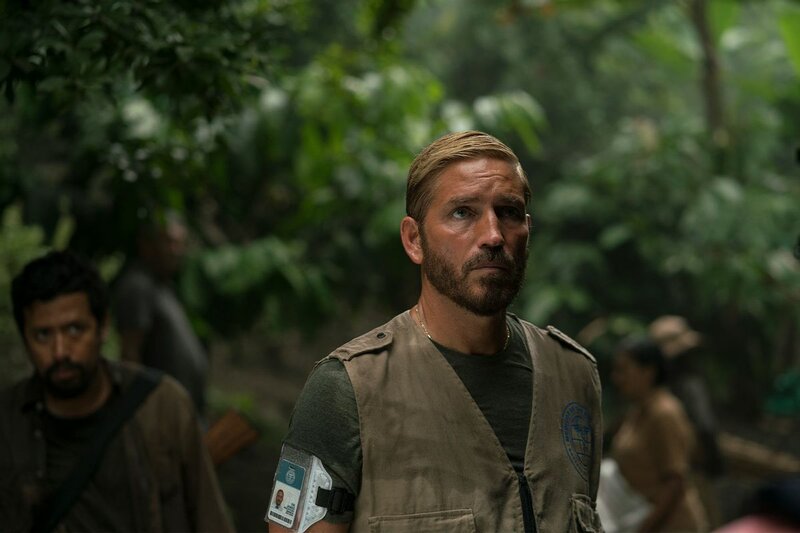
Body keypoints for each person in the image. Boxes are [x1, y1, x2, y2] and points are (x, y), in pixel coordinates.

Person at [265, 131, 603, 532]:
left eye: (509, 212)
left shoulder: (573, 376)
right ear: (414, 240)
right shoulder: (349, 389)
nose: (493, 235)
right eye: (462, 213)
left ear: (527, 230)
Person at [0, 250, 233, 532]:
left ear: (103, 327)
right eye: (43, 335)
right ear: (25, 337)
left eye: (74, 330)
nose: (60, 351)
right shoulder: (9, 420)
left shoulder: (161, 406)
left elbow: (210, 518)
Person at [112, 211, 209, 415]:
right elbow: (130, 356)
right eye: (169, 242)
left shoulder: (164, 287)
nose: (176, 251)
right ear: (146, 244)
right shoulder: (138, 285)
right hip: (159, 416)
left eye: (180, 244)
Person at [608, 336, 708, 532]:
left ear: (648, 372)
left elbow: (675, 482)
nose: (617, 378)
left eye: (623, 370)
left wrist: (644, 529)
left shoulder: (664, 413)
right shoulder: (636, 412)